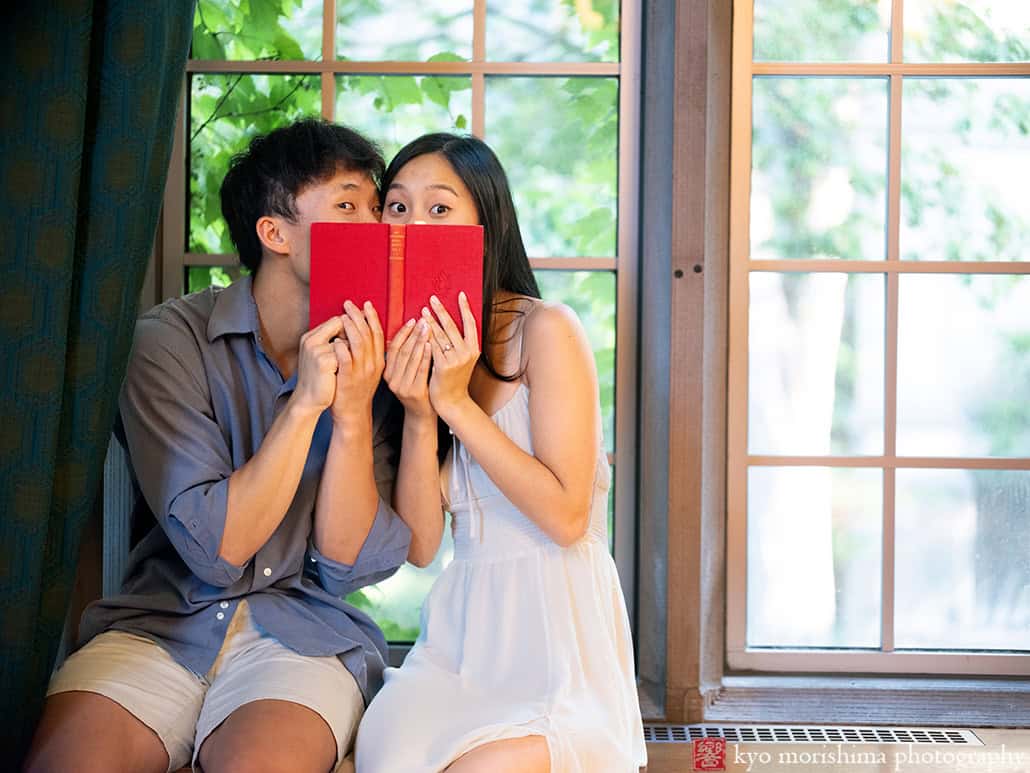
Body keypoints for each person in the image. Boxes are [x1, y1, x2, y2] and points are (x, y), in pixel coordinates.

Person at [24, 119, 412, 773]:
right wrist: (307, 403)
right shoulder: (167, 344)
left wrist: (349, 415)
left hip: (304, 636)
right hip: (160, 624)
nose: (375, 228)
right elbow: (218, 550)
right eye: (349, 205)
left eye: (377, 209)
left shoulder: (378, 359)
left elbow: (348, 566)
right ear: (274, 232)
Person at [355, 133, 647, 773]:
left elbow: (568, 519)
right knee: (389, 754)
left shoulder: (548, 329)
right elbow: (423, 546)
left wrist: (458, 403)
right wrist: (419, 410)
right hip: (459, 647)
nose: (413, 224)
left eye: (439, 208)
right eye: (397, 208)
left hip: (556, 645)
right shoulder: (411, 350)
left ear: (485, 225)